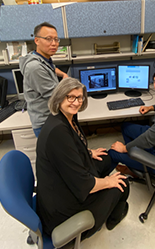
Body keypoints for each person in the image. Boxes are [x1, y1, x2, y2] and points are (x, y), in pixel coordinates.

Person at [36, 78, 130, 242]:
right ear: (59, 98)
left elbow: (69, 146)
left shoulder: (65, 118)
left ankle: (107, 198)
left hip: (67, 180)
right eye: (70, 97)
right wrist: (107, 182)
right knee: (122, 183)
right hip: (63, 208)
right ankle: (113, 218)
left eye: (79, 97)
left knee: (107, 156)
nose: (76, 102)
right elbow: (83, 184)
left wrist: (87, 152)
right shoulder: (58, 131)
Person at [19, 22, 69, 137]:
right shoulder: (34, 67)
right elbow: (54, 96)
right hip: (45, 122)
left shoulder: (40, 58)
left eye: (56, 39)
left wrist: (63, 74)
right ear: (37, 40)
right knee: (57, 154)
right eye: (48, 39)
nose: (54, 44)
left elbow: (50, 68)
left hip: (50, 117)